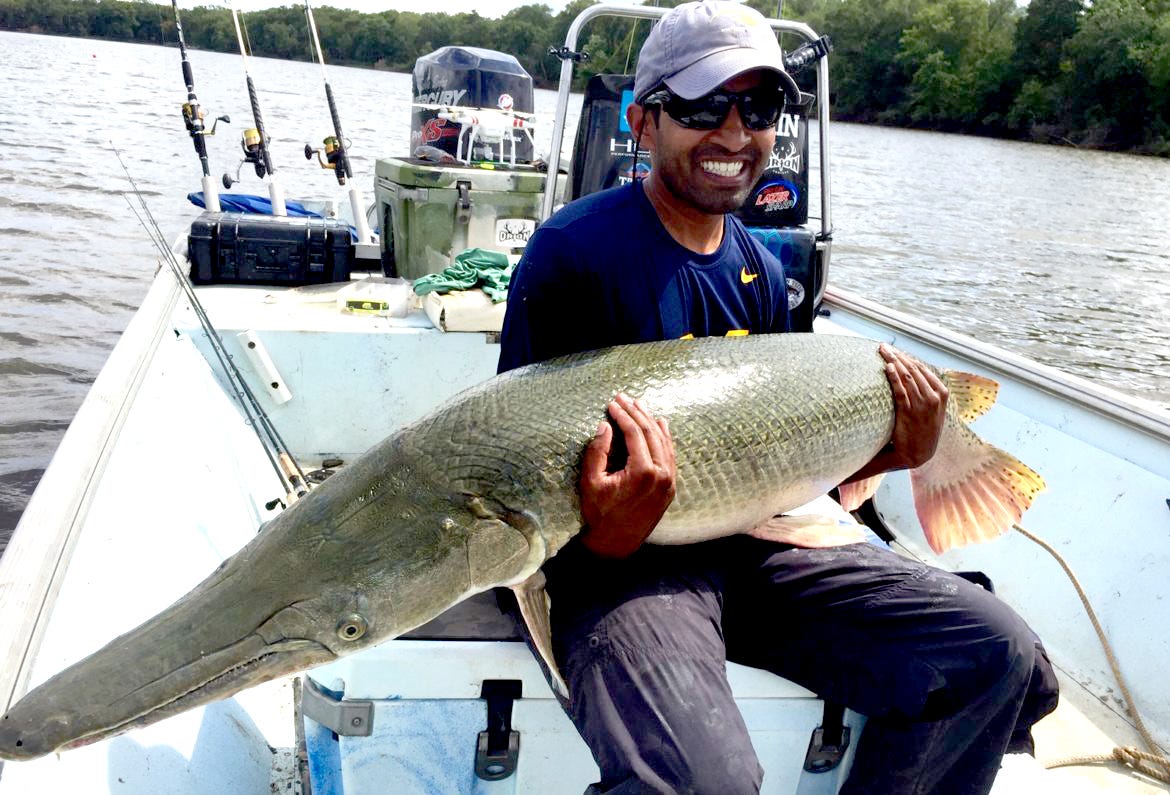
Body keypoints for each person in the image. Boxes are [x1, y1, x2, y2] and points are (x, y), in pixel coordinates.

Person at [498, 2, 1057, 792]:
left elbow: (782, 461)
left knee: (997, 649)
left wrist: (896, 451)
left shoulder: (764, 268)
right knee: (704, 783)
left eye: (758, 106)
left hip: (754, 546)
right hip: (618, 569)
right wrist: (609, 536)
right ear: (642, 121)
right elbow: (515, 476)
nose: (733, 133)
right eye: (700, 106)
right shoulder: (572, 255)